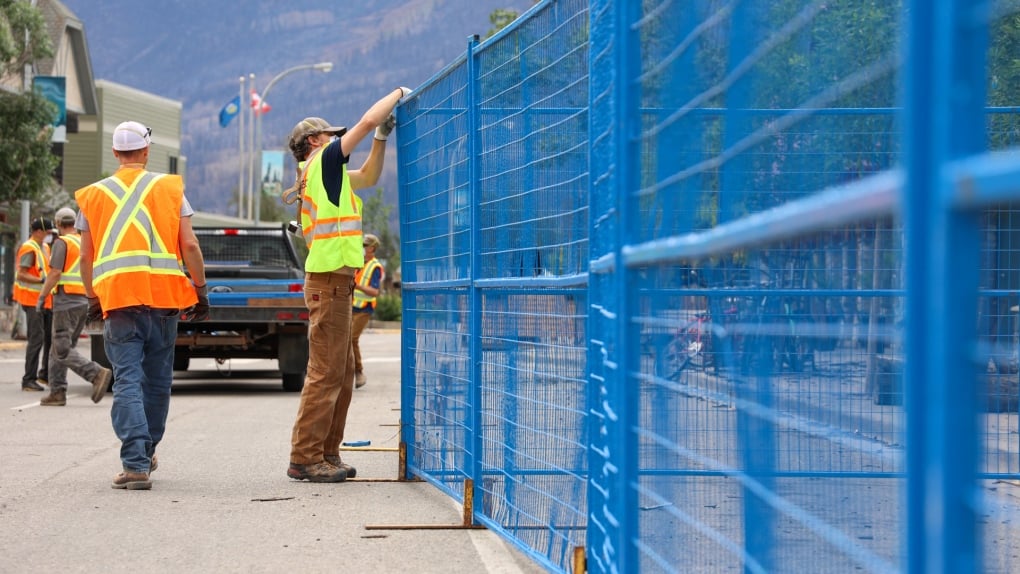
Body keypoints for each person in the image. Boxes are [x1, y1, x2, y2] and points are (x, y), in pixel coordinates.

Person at [75, 120, 209, 491]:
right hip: (164, 302)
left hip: (118, 301)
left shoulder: (93, 196)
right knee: (157, 382)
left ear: (115, 153)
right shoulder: (169, 189)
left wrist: (92, 297)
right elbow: (191, 246)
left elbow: (85, 257)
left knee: (128, 380)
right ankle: (146, 452)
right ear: (146, 151)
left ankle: (135, 462)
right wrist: (200, 289)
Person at [285, 86, 409, 483]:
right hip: (328, 280)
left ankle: (325, 453)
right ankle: (306, 456)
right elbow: (367, 119)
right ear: (313, 143)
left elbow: (370, 176)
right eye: (329, 136)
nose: (337, 141)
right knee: (325, 372)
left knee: (338, 372)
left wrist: (382, 139)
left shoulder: (325, 174)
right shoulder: (322, 163)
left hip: (335, 280)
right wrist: (399, 93)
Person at [37, 207, 113, 406]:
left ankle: (95, 373)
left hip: (66, 302)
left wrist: (42, 295)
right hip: (83, 302)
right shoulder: (84, 242)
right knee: (60, 347)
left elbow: (54, 273)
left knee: (61, 349)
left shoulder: (62, 243)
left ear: (58, 223)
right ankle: (57, 392)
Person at [13, 217, 56, 392]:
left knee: (48, 339)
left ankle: (44, 375)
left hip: (45, 300)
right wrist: (41, 280)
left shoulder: (44, 247)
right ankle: (28, 379)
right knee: (36, 340)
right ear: (38, 231)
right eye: (48, 232)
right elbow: (21, 274)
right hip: (32, 301)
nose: (49, 236)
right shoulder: (29, 248)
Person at [351, 233, 385, 389]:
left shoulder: (375, 267)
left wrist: (357, 286)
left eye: (364, 246)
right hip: (352, 306)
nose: (362, 248)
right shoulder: (359, 262)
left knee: (352, 339)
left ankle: (358, 372)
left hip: (364, 308)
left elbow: (374, 291)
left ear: (372, 248)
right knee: (345, 340)